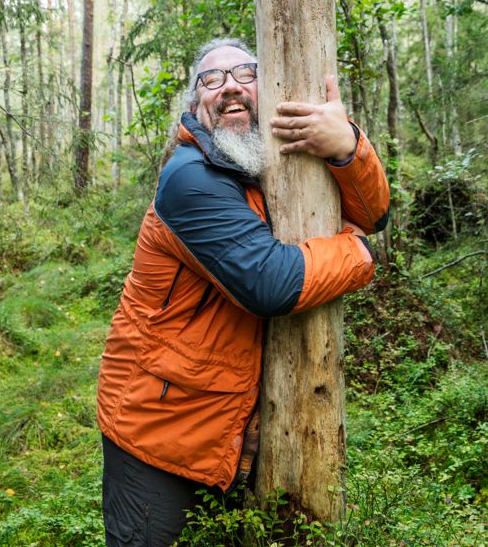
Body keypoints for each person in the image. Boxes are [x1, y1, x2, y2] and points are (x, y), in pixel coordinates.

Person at [97, 37, 389, 547]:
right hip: (157, 427)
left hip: (225, 420)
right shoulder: (190, 179)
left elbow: (372, 213)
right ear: (195, 106)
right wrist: (361, 253)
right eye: (211, 80)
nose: (229, 86)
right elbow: (270, 281)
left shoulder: (266, 168)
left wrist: (344, 146)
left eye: (245, 74)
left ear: (269, 90)